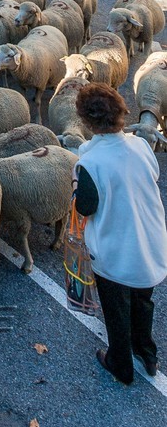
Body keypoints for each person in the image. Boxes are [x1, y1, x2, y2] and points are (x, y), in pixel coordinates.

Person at [73, 83, 167, 385]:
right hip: (149, 241)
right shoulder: (140, 145)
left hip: (116, 250)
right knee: (143, 301)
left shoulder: (90, 162)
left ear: (87, 121)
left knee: (117, 309)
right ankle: (147, 353)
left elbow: (86, 207)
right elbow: (153, 176)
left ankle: (120, 365)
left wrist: (76, 187)